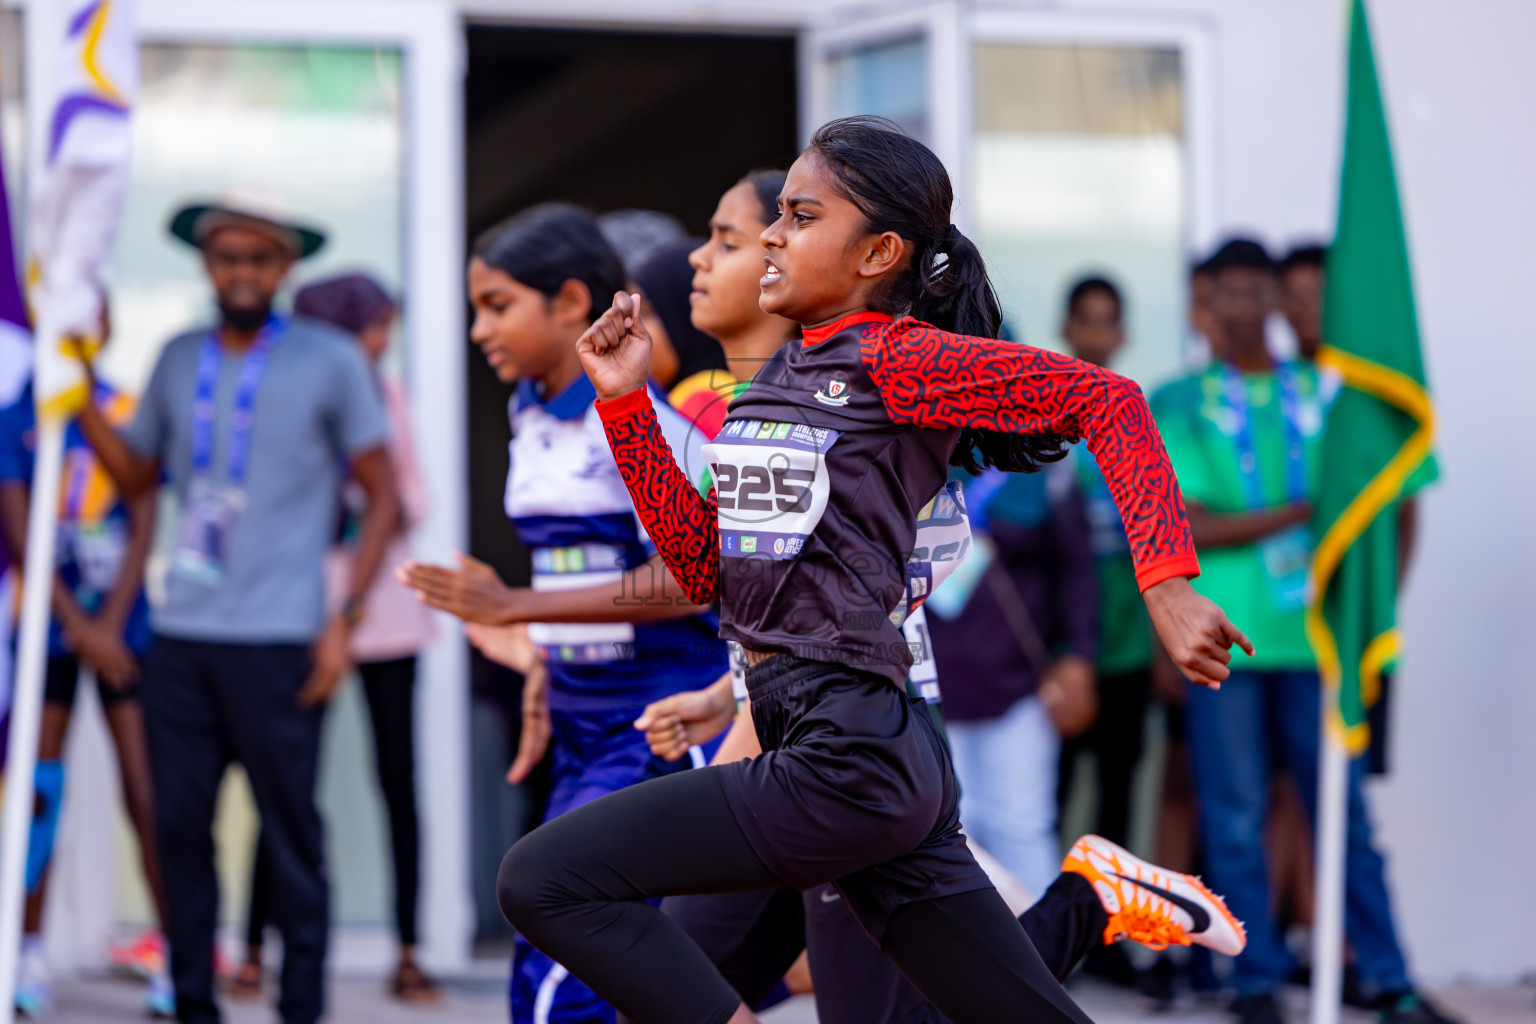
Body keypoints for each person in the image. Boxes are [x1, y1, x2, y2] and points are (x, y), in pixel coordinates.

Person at [495, 116, 1251, 1024]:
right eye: (772, 217)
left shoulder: (895, 358)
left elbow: (1105, 396)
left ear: (878, 252)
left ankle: (1094, 897)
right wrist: (625, 405)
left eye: (800, 217)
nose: (774, 235)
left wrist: (1166, 583)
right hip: (855, 755)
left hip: (847, 751)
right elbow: (702, 570)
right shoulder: (774, 378)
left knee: (546, 878)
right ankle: (1094, 899)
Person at [72, 191, 399, 1024]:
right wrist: (71, 387)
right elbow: (139, 478)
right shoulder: (178, 357)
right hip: (182, 634)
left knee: (290, 834)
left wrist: (345, 618)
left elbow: (384, 493)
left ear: (286, 269)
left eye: (260, 259)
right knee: (179, 827)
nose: (243, 273)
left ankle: (300, 1006)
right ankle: (190, 1004)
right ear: (206, 265)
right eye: (227, 258)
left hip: (283, 637)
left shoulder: (330, 359)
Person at [399, 204, 728, 1024]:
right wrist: (543, 652)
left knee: (568, 974)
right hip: (579, 726)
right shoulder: (526, 407)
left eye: (498, 304)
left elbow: (696, 578)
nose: (479, 329)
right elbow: (584, 573)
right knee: (557, 955)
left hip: (653, 723)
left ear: (573, 302)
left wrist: (518, 604)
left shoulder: (642, 418)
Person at [1156, 238, 1456, 1024]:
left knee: (1346, 816)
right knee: (1233, 813)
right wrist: (1295, 514)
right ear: (1205, 306)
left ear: (1282, 304)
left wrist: (1376, 614)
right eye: (1231, 294)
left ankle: (1389, 980)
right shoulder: (1178, 401)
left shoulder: (1327, 393)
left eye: (1262, 292)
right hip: (1227, 644)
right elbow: (1187, 525)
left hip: (1321, 641)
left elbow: (1388, 499)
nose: (1248, 308)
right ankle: (1254, 982)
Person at [231, 273, 439, 1004]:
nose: (384, 342)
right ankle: (254, 949)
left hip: (382, 612)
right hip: (299, 612)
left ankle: (409, 950)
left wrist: (359, 497)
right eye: (377, 327)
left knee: (397, 782)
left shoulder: (386, 397)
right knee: (285, 785)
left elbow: (411, 498)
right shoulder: (291, 393)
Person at [0, 302, 173, 1018]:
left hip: (124, 633)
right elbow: (17, 526)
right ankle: (27, 951)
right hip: (47, 632)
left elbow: (142, 512)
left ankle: (174, 948)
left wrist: (109, 625)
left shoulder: (125, 407)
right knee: (38, 792)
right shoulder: (19, 412)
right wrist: (76, 624)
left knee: (147, 791)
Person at [925, 462, 1098, 896]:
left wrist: (1079, 657)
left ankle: (1041, 959)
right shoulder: (902, 444)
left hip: (1021, 682)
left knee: (1022, 825)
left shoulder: (1046, 460)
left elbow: (1078, 566)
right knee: (944, 830)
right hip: (923, 686)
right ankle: (957, 963)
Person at [1055, 276, 1155, 853]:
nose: (1095, 333)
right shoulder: (1042, 413)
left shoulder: (1133, 416)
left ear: (1123, 333)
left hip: (1127, 642)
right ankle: (1045, 938)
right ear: (1066, 328)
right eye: (1084, 319)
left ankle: (1110, 941)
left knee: (1117, 793)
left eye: (1107, 321)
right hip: (1062, 645)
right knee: (1053, 791)